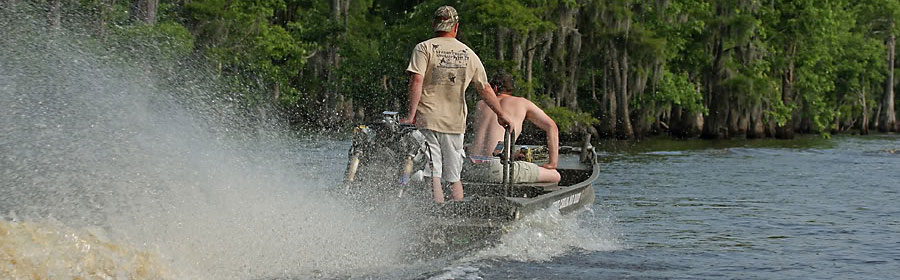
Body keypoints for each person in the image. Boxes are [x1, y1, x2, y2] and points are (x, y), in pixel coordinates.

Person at [402, 6, 510, 203]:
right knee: (454, 177)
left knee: (433, 172)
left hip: (429, 119)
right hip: (455, 123)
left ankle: (436, 213)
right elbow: (485, 88)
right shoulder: (468, 53)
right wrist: (501, 114)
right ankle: (458, 213)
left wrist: (410, 116)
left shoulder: (424, 48)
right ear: (456, 27)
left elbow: (416, 81)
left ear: (435, 25)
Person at [466, 73, 561, 183]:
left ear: (494, 88)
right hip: (495, 170)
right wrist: (552, 163)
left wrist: (513, 155)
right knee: (555, 175)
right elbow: (552, 126)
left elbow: (485, 144)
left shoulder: (480, 104)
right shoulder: (522, 102)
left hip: (471, 168)